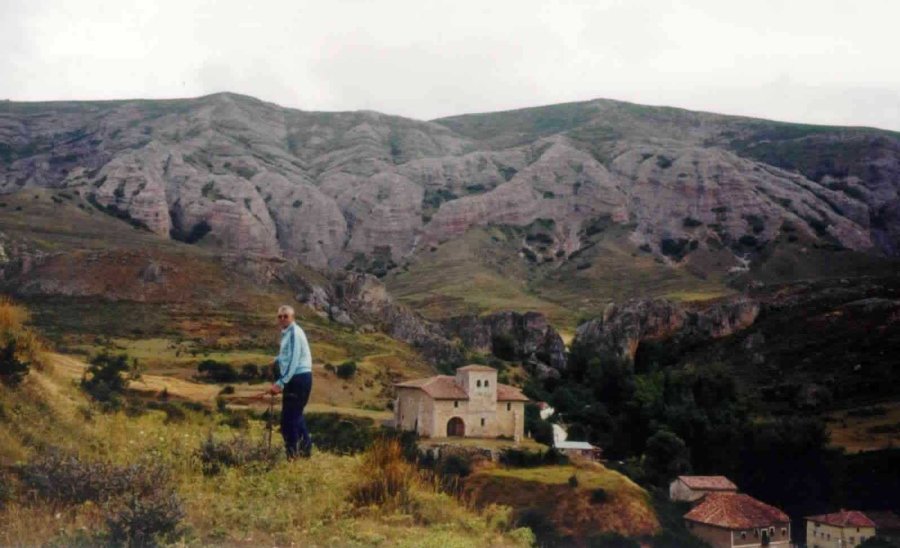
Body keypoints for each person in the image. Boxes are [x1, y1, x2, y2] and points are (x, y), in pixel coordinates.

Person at [264, 305, 313, 459]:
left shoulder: (293, 333)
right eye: (280, 316)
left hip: (298, 378)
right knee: (295, 417)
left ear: (293, 317)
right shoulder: (288, 332)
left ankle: (292, 456)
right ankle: (305, 453)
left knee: (288, 421)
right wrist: (277, 359)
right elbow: (288, 354)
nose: (282, 319)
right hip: (297, 378)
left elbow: (293, 360)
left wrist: (280, 383)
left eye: (286, 316)